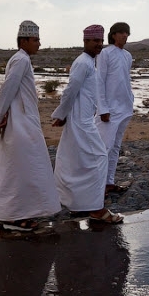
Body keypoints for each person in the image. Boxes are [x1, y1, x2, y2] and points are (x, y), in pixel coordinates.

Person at [0, 20, 60, 231]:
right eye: (36, 39)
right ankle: (15, 218)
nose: (39, 43)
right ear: (24, 40)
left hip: (21, 122)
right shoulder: (20, 60)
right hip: (20, 125)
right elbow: (7, 90)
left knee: (21, 170)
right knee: (21, 170)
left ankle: (15, 214)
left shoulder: (21, 59)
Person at [51, 24, 123, 223]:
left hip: (82, 118)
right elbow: (70, 91)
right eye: (95, 41)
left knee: (73, 160)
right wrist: (62, 114)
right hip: (81, 121)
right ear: (85, 41)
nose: (99, 45)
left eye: (101, 41)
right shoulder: (83, 62)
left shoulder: (90, 62)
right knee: (100, 158)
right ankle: (96, 209)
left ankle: (76, 204)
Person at [97, 21, 134, 196]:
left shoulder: (127, 55)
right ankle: (97, 186)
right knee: (104, 147)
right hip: (109, 110)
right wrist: (103, 107)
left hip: (125, 107)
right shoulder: (105, 53)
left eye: (127, 33)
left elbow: (125, 80)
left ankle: (109, 182)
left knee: (116, 146)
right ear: (113, 35)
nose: (125, 36)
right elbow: (100, 81)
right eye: (121, 33)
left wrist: (130, 101)